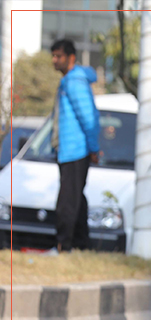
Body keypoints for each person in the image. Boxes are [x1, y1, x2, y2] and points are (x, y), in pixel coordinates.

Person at [49, 38, 100, 253]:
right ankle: (81, 246)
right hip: (69, 150)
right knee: (76, 198)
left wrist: (94, 147)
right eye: (53, 56)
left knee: (67, 202)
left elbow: (89, 118)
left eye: (58, 56)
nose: (54, 60)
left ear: (71, 58)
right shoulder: (70, 81)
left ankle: (64, 246)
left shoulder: (74, 81)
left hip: (75, 150)